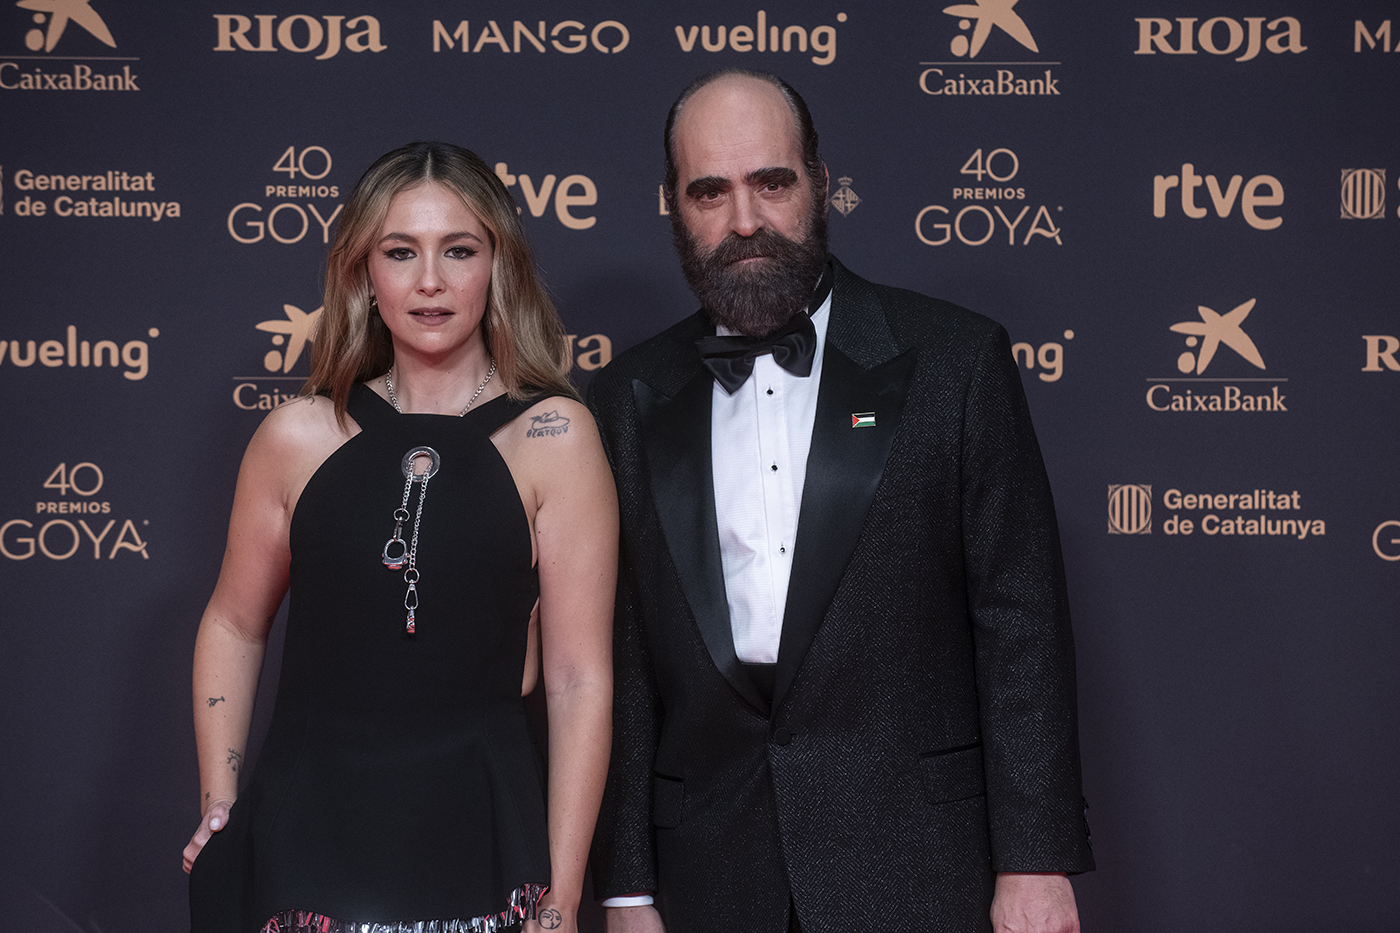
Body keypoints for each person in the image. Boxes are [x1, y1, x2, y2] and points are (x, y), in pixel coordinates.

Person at [586, 71, 1094, 933]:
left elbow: (1021, 626)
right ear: (674, 206)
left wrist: (1035, 861)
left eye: (771, 182)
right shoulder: (627, 396)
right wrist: (627, 888)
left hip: (921, 865)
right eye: (710, 192)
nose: (745, 220)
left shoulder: (955, 361)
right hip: (709, 876)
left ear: (821, 184)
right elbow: (624, 660)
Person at [182, 141, 616, 933]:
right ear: (363, 272)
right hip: (301, 846)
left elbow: (578, 678)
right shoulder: (296, 435)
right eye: (400, 251)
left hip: (481, 849)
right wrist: (220, 803)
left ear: (499, 265)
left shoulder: (554, 435)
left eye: (460, 250)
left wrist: (560, 893)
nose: (430, 281)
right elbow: (234, 622)